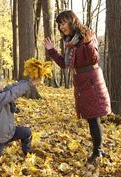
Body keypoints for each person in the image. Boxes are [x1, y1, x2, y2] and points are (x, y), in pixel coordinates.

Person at [44, 10, 111, 163]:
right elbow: (64, 64)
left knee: (93, 118)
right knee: (91, 117)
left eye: (63, 23)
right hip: (81, 81)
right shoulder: (69, 41)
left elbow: (94, 58)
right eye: (59, 24)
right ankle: (98, 149)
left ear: (72, 21)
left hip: (91, 80)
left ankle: (97, 152)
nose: (61, 27)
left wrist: (87, 43)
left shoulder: (86, 35)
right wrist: (52, 51)